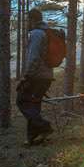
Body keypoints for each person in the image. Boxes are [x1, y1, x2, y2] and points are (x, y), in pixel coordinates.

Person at [17, 9, 54, 145]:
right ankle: (33, 137)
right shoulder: (45, 32)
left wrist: (26, 76)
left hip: (37, 76)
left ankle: (45, 127)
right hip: (46, 76)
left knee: (21, 101)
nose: (27, 22)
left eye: (28, 19)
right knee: (33, 104)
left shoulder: (37, 34)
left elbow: (33, 58)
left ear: (32, 20)